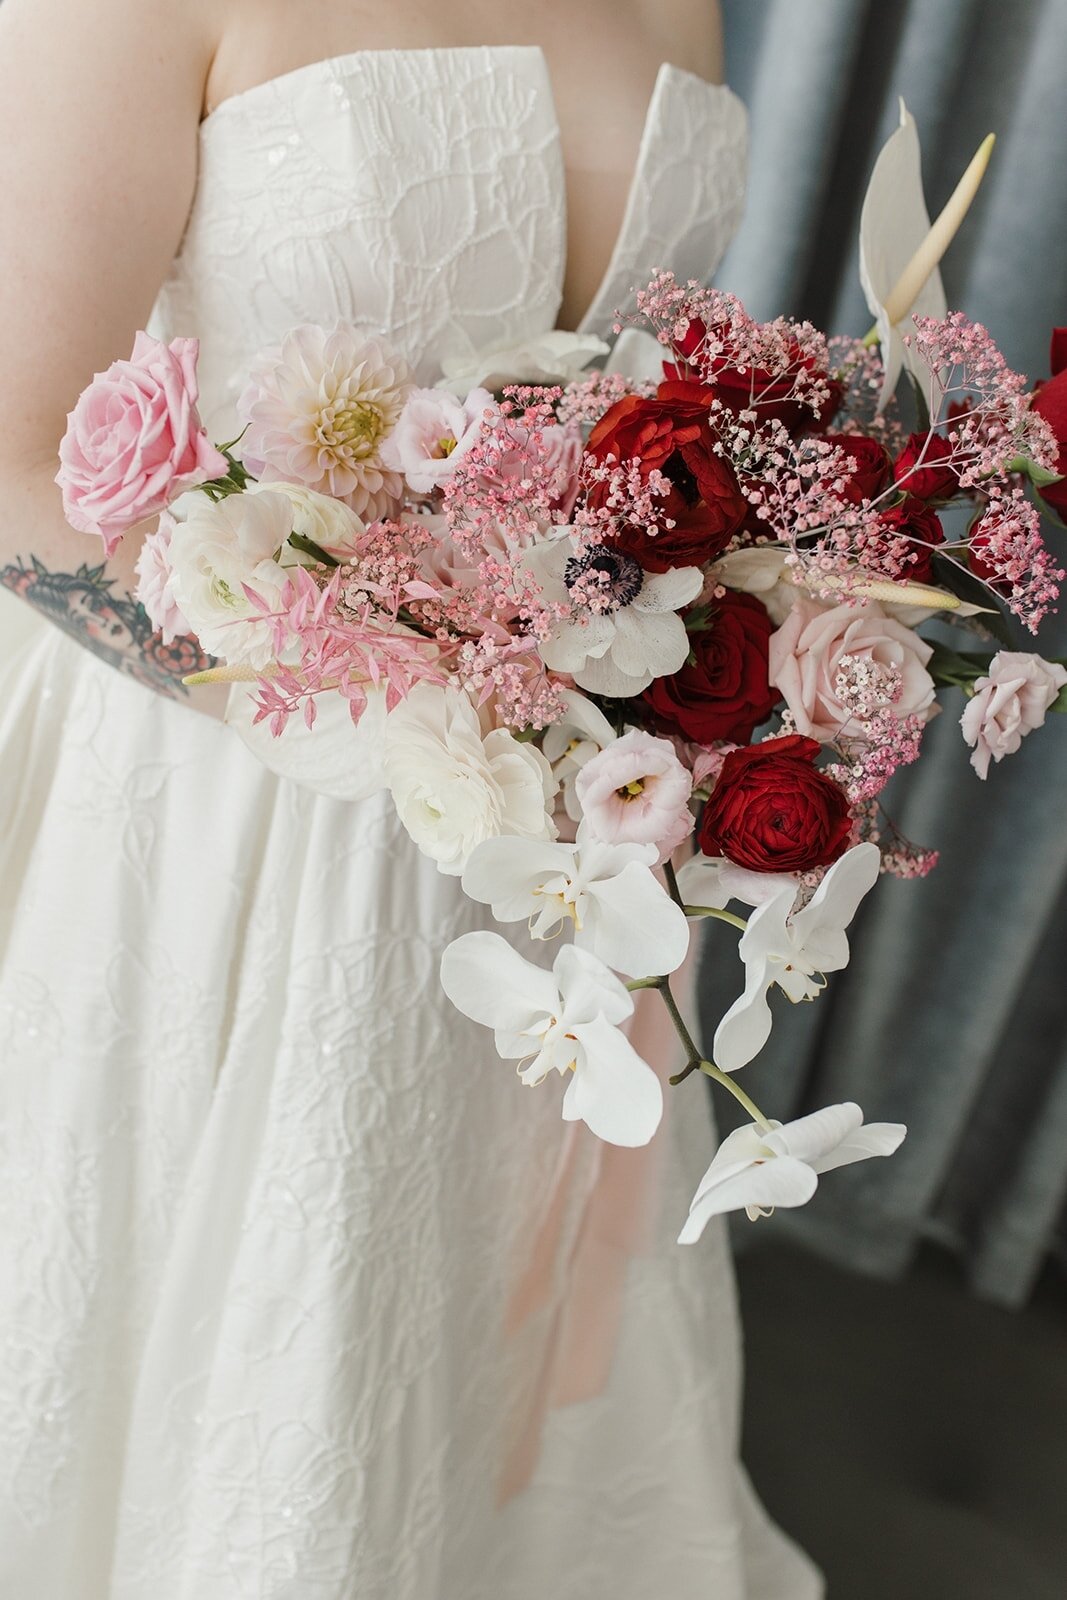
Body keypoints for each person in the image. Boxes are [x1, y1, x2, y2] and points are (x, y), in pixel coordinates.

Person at [0, 2, 822, 1594]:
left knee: (428, 1332)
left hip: (558, 846)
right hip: (216, 805)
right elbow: (3, 453)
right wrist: (399, 701)